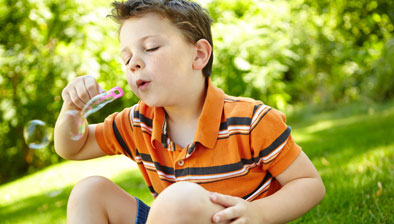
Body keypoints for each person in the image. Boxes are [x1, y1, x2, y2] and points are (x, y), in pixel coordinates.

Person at [54, 0, 326, 223]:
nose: (134, 63)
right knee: (89, 192)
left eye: (150, 48)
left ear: (198, 55)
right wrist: (72, 109)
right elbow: (73, 148)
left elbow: (309, 184)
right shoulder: (137, 122)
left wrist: (259, 213)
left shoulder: (250, 120)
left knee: (177, 197)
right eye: (126, 58)